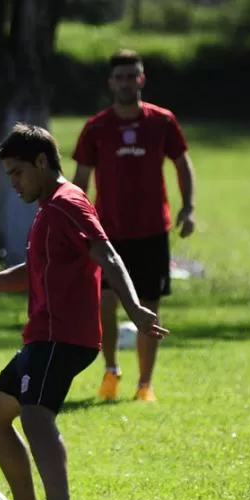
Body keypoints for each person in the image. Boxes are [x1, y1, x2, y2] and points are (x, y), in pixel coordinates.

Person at [0, 124, 167, 500]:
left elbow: (108, 255)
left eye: (18, 172)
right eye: (8, 174)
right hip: (41, 333)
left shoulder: (68, 205)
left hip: (63, 334)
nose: (13, 183)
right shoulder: (48, 210)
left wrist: (134, 309)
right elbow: (30, 274)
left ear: (42, 162)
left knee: (35, 415)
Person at [71, 49, 196, 403]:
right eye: (120, 77)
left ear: (142, 79)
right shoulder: (96, 128)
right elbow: (80, 180)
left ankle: (145, 383)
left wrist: (188, 208)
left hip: (152, 230)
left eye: (133, 76)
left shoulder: (162, 122)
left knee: (149, 307)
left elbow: (183, 165)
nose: (127, 82)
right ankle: (111, 370)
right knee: (106, 305)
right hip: (107, 232)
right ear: (111, 83)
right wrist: (74, 222)